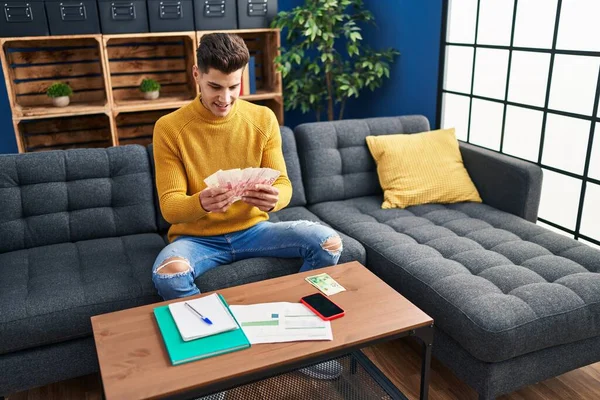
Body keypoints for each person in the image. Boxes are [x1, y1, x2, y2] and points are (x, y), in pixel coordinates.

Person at [151, 33, 343, 301]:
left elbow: (284, 185)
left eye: (234, 86)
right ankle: (216, 332)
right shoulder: (169, 128)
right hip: (197, 239)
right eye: (215, 87)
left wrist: (274, 200)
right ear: (196, 74)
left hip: (255, 231)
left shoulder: (263, 118)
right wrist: (202, 203)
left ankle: (297, 307)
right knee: (169, 275)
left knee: (329, 243)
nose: (225, 98)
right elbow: (170, 207)